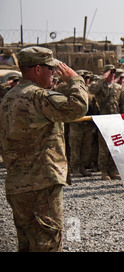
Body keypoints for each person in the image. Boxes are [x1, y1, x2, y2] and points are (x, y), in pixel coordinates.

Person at [0, 46, 88, 251]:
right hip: (41, 185)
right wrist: (75, 80)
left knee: (27, 244)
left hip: (17, 185)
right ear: (37, 69)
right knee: (47, 243)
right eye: (51, 69)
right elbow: (78, 107)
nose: (55, 73)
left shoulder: (8, 98)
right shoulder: (37, 97)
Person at [89, 64, 124, 180]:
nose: (113, 75)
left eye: (114, 73)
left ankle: (112, 169)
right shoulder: (100, 86)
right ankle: (104, 171)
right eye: (110, 72)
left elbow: (121, 103)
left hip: (115, 120)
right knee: (104, 146)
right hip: (103, 119)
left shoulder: (118, 87)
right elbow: (91, 90)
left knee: (115, 145)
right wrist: (102, 79)